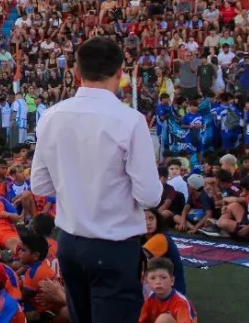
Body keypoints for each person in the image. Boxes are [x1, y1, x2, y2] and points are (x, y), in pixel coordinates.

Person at [31, 36, 162, 323]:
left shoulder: (51, 116)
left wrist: (76, 185)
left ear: (77, 72)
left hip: (69, 243)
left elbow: (40, 186)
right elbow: (150, 196)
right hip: (114, 245)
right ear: (120, 72)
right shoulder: (129, 120)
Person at [139, 257, 198, 323]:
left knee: (164, 319)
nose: (158, 282)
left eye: (163, 277)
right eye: (153, 278)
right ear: (147, 282)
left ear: (172, 280)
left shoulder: (180, 302)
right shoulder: (149, 299)